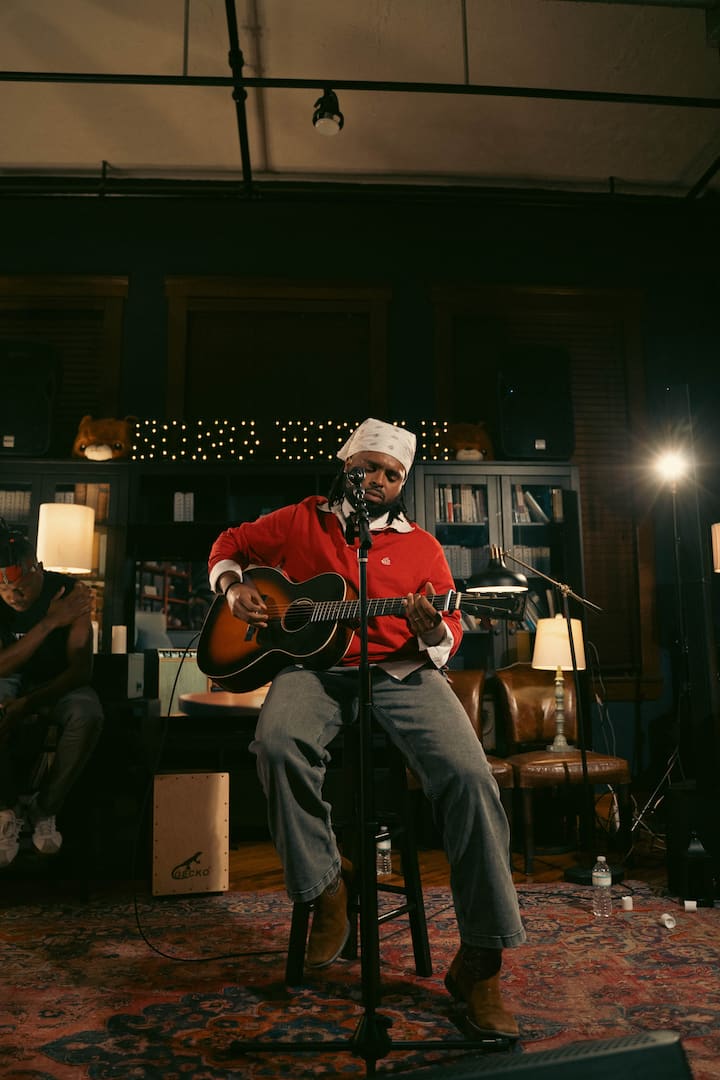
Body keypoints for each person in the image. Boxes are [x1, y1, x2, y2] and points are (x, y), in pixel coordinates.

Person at [208, 418, 525, 1039]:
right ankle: (326, 885)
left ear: (402, 484)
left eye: (392, 474)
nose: (379, 480)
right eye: (369, 467)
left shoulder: (423, 548)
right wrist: (233, 585)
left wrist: (431, 628)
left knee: (471, 777)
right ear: (346, 466)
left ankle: (482, 963)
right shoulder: (300, 520)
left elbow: (448, 634)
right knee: (276, 744)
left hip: (401, 670)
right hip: (313, 669)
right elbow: (229, 543)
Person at [0, 520, 103, 868]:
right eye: (2, 588)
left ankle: (44, 809)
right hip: (10, 681)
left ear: (38, 568)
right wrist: (48, 623)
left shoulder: (70, 593)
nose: (12, 596)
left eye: (19, 586)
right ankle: (7, 810)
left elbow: (81, 670)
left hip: (61, 682)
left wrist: (27, 704)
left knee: (88, 715)